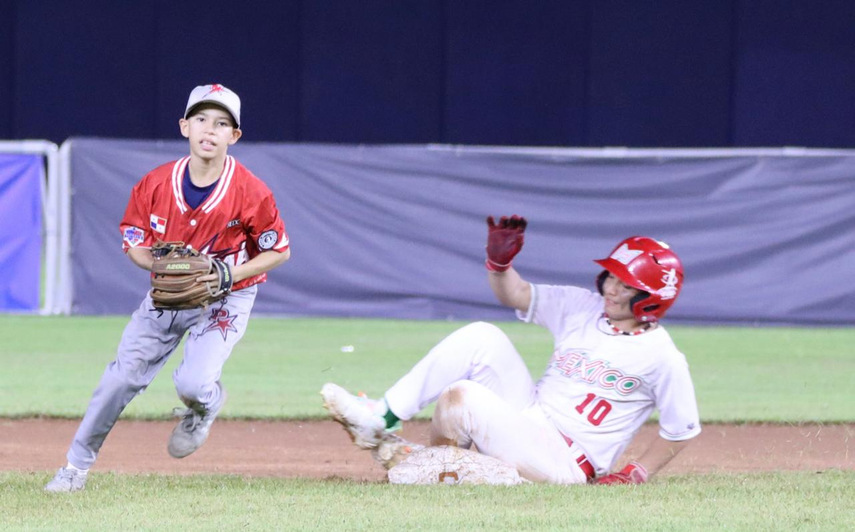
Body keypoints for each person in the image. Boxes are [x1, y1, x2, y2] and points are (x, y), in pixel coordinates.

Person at [322, 215, 700, 484]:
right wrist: (500, 266)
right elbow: (516, 294)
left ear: (653, 298)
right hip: (531, 417)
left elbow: (681, 430)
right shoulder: (583, 306)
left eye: (626, 285)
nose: (612, 290)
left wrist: (636, 471)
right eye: (611, 278)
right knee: (481, 337)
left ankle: (429, 470)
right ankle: (383, 420)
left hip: (567, 462)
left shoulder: (662, 356)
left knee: (464, 397)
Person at [45, 84, 291, 493]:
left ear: (235, 135)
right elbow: (136, 243)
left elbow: (278, 251)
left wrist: (230, 275)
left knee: (193, 385)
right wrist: (162, 266)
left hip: (226, 294)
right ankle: (74, 468)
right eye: (200, 119)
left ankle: (204, 407)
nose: (209, 130)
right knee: (120, 380)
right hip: (168, 295)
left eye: (221, 123)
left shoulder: (251, 191)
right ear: (184, 126)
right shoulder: (156, 184)